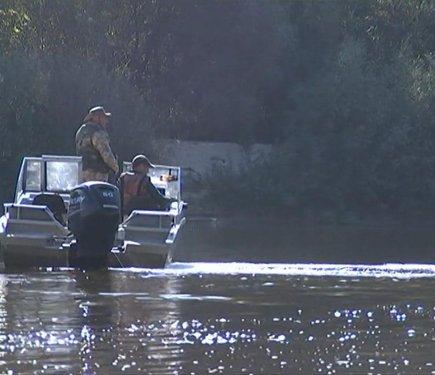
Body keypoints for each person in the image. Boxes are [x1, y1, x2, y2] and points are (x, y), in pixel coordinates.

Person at [76, 106, 119, 182]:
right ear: (97, 118)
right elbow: (106, 155)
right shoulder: (98, 133)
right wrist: (116, 168)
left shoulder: (81, 131)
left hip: (81, 171)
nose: (106, 121)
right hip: (97, 174)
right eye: (104, 118)